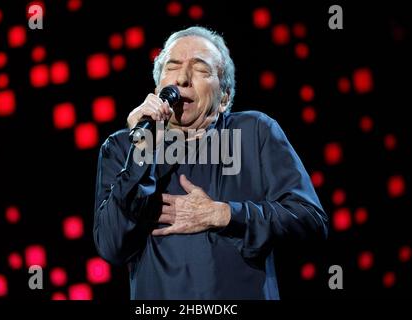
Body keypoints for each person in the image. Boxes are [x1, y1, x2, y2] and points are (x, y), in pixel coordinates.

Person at [94, 26, 328, 300]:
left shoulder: (255, 132)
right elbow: (111, 246)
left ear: (224, 98)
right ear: (157, 89)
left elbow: (310, 222)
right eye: (173, 67)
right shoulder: (124, 146)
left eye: (201, 70)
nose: (182, 79)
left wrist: (225, 214)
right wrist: (142, 151)